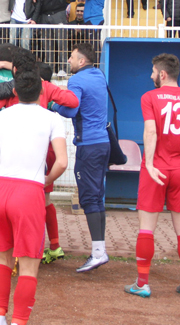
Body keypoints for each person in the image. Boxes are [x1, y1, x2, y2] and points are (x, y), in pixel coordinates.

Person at [0, 67, 67, 325]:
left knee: (3, 259)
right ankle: (19, 321)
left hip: (2, 189)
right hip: (30, 191)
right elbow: (61, 162)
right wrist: (47, 180)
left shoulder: (0, 115)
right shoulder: (52, 118)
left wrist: (0, 178)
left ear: (15, 92)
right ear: (41, 92)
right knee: (29, 266)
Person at [124, 53, 180, 299]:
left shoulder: (149, 97)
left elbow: (151, 131)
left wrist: (151, 164)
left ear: (162, 74)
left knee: (146, 229)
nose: (151, 75)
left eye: (153, 71)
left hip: (155, 170)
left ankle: (142, 284)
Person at [52, 43, 110, 272]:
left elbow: (71, 109)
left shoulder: (76, 80)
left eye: (72, 57)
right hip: (102, 143)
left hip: (89, 146)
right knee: (97, 197)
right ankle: (99, 250)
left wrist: (52, 105)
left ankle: (98, 253)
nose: (68, 60)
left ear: (82, 61)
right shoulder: (99, 75)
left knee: (89, 199)